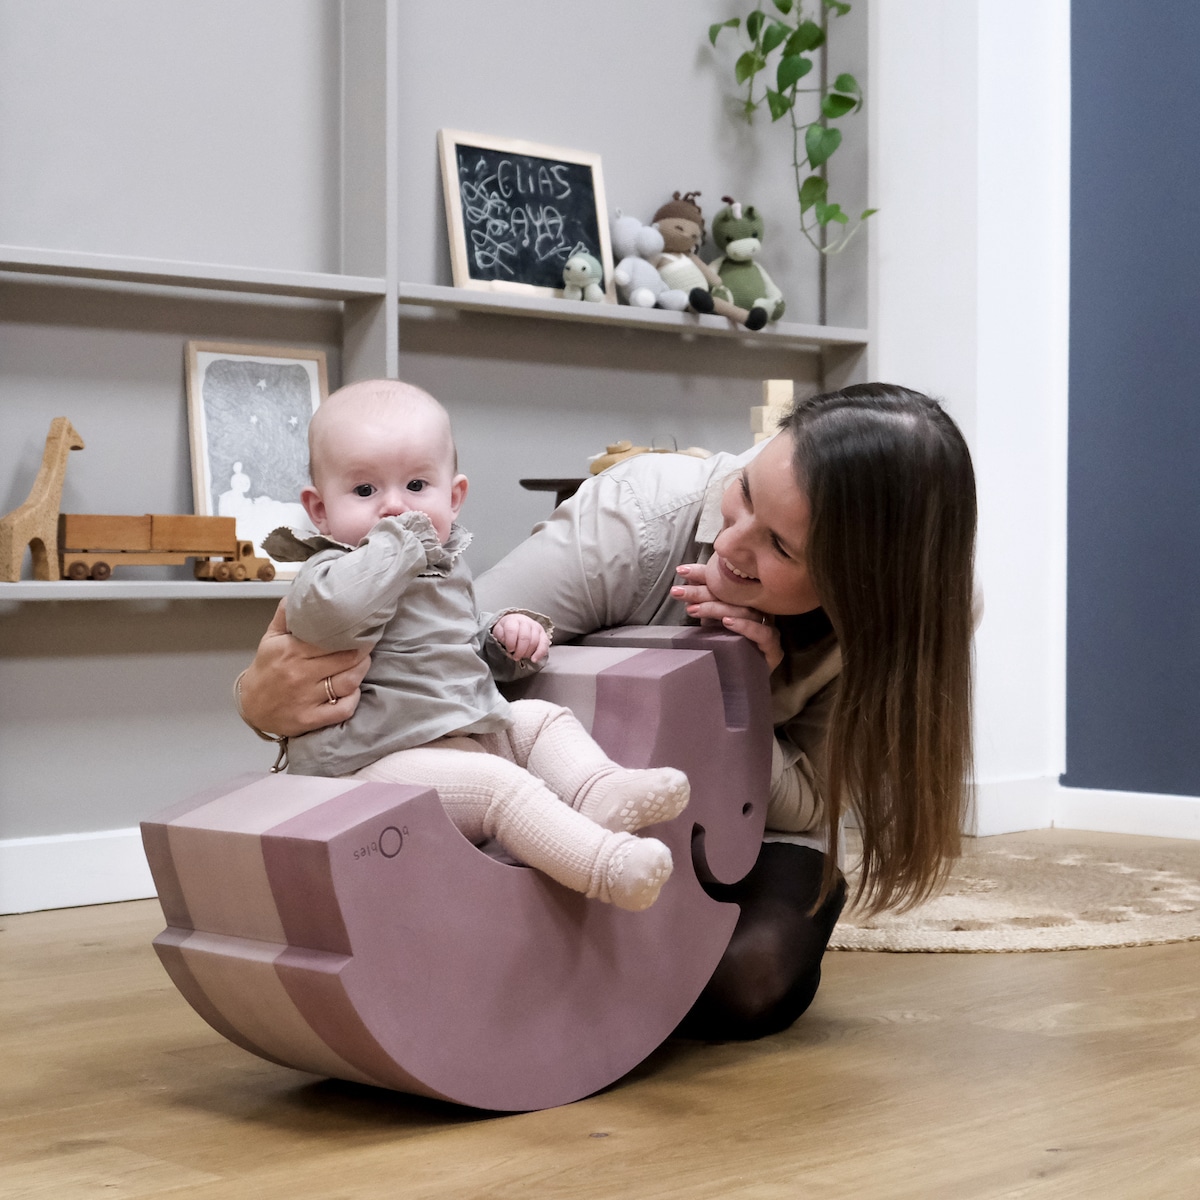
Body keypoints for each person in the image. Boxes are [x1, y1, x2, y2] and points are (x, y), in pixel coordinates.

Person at [236, 381, 978, 1040]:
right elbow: (447, 664)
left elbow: (809, 800)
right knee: (549, 954)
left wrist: (754, 697)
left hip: (753, 823)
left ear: (862, 586)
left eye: (780, 546)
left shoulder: (912, 615)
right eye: (746, 493)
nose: (731, 541)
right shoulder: (640, 517)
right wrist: (262, 699)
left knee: (748, 984)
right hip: (564, 788)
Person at [253, 379, 691, 912]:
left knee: (540, 720)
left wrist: (502, 639)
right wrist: (398, 543)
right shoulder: (329, 569)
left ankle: (598, 791)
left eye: (417, 486)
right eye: (365, 492)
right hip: (368, 763)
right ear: (319, 510)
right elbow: (333, 618)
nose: (394, 508)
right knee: (499, 786)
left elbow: (456, 651)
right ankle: (605, 866)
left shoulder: (446, 568)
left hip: (454, 734)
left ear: (454, 497)